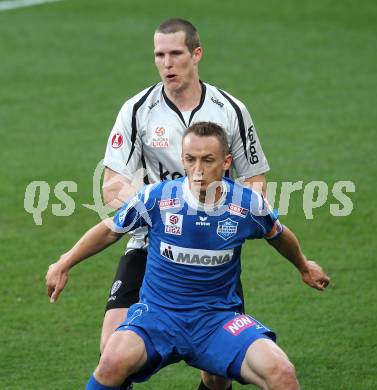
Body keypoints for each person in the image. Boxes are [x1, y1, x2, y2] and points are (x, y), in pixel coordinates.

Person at [46, 122, 330, 390]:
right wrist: (64, 262)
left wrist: (304, 266)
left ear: (226, 162)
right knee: (111, 361)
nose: (197, 171)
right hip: (158, 317)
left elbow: (278, 235)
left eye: (208, 160)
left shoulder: (248, 205)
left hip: (217, 320)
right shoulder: (156, 198)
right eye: (190, 159)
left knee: (282, 373)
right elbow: (110, 230)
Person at [101, 18, 269, 389]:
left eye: (175, 54)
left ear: (196, 54)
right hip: (148, 245)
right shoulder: (137, 110)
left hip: (211, 251)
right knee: (111, 353)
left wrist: (237, 218)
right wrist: (157, 204)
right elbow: (111, 184)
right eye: (159, 55)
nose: (167, 63)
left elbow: (255, 178)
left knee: (218, 372)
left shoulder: (230, 110)